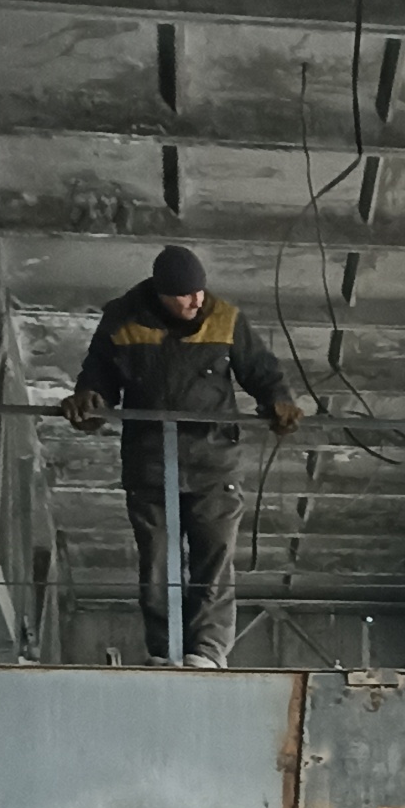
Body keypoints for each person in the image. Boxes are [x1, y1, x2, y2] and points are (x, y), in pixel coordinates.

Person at [56, 244, 302, 668]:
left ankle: (206, 651)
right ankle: (165, 651)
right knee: (157, 560)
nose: (196, 301)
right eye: (185, 295)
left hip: (214, 461)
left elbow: (262, 370)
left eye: (200, 291)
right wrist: (88, 400)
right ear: (161, 294)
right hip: (150, 463)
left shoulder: (224, 318)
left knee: (214, 556)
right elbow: (99, 375)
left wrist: (279, 401)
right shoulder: (123, 320)